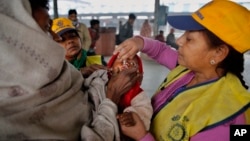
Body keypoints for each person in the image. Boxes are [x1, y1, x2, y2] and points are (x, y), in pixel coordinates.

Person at [0, 0, 140, 140]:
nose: (56, 38)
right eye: (46, 28)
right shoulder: (10, 122)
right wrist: (112, 94)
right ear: (15, 41)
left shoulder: (63, 70)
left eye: (73, 36)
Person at [114, 1, 250, 141]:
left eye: (189, 39)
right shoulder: (189, 69)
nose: (179, 40)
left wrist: (142, 136)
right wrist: (139, 42)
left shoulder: (226, 119)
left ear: (219, 53)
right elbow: (161, 51)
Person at [86, 53, 153, 140]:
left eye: (133, 64)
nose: (126, 64)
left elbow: (145, 110)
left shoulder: (137, 94)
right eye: (121, 60)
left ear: (138, 76)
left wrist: (131, 115)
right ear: (110, 68)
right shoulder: (102, 82)